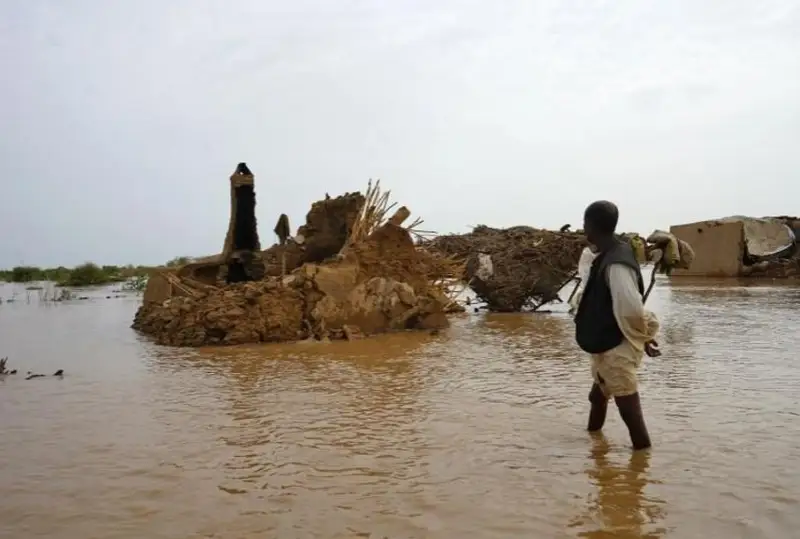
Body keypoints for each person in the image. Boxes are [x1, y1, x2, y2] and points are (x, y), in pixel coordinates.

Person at [574, 201, 660, 450]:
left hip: (617, 347)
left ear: (590, 225)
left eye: (584, 224)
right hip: (606, 341)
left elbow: (631, 309)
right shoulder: (605, 257)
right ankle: (594, 448)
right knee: (597, 397)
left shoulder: (616, 264)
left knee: (629, 411)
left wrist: (641, 339)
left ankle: (640, 468)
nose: (584, 229)